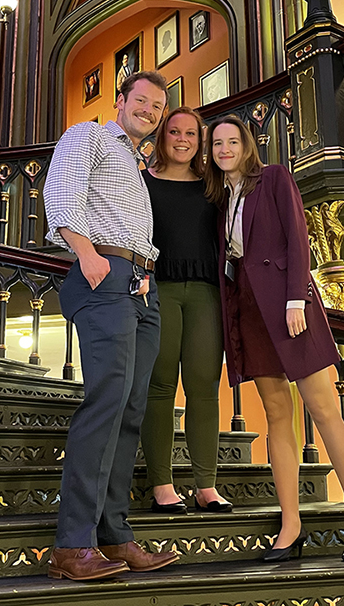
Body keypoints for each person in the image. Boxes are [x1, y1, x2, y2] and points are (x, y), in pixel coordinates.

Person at [204, 115, 344, 563]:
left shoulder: (275, 178)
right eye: (217, 143)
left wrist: (297, 297)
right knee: (277, 417)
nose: (224, 149)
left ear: (246, 144)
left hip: (288, 307)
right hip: (247, 312)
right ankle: (290, 524)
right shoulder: (221, 201)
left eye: (231, 141)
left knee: (324, 411)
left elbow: (299, 239)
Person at [43, 70, 179, 582]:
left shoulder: (133, 159)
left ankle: (114, 537)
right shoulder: (89, 136)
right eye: (141, 101)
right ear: (120, 101)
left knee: (131, 407)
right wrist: (88, 255)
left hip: (141, 282)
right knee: (107, 401)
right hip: (106, 273)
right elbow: (61, 197)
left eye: (157, 106)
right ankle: (72, 544)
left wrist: (139, 275)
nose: (149, 111)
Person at [140, 106, 230, 515]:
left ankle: (206, 486)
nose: (181, 139)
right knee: (159, 388)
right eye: (174, 131)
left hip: (206, 294)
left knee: (204, 388)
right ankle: (162, 483)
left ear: (200, 141)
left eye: (191, 134)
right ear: (162, 136)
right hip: (158, 289)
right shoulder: (143, 183)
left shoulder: (214, 185)